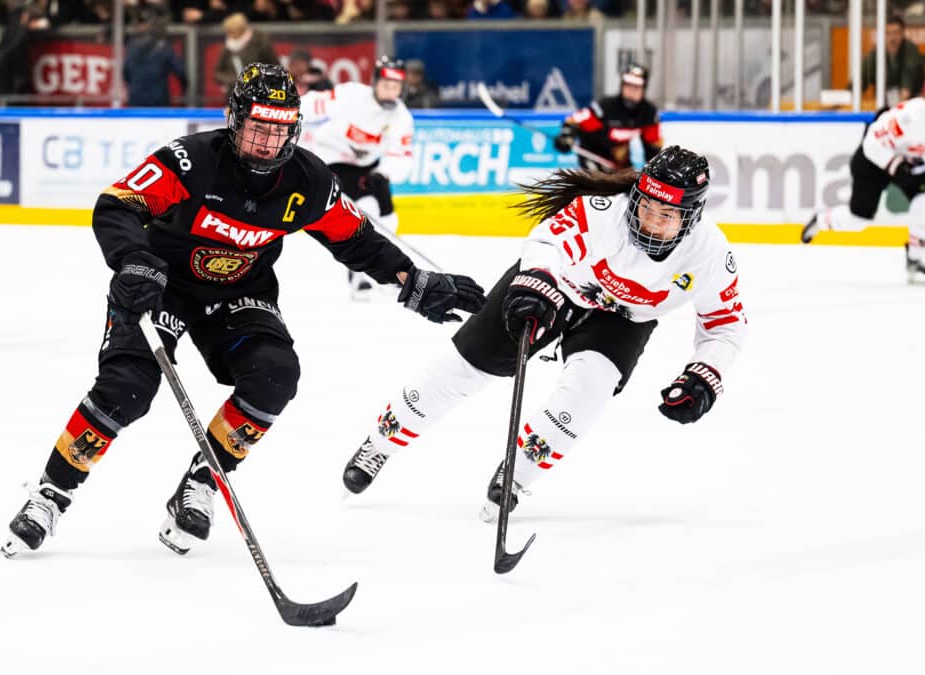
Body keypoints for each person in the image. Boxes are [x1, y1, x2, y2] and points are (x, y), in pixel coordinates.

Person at [0, 63, 485, 558]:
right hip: (160, 284)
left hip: (238, 292)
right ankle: (51, 494)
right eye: (258, 127)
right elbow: (119, 204)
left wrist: (412, 280)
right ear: (235, 120)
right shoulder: (192, 161)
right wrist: (135, 262)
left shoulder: (309, 181)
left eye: (279, 130)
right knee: (127, 387)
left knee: (275, 375)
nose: (268, 143)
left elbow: (354, 238)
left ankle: (203, 480)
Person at [341, 147, 748, 523]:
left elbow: (725, 324)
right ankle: (381, 441)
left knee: (591, 386)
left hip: (622, 318)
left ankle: (517, 473)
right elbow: (548, 240)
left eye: (666, 216)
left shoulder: (711, 254)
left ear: (691, 217)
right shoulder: (605, 211)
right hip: (555, 288)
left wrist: (705, 373)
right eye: (646, 207)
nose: (650, 221)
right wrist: (536, 280)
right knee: (464, 368)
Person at [298, 56, 415, 299]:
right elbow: (312, 105)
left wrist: (384, 174)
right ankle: (359, 275)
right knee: (362, 210)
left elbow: (401, 156)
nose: (391, 91)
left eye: (396, 88)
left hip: (367, 166)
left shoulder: (402, 118)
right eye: (386, 85)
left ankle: (385, 271)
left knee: (388, 215)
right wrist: (287, 113)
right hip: (333, 158)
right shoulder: (351, 95)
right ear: (375, 82)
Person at [802, 96, 925, 282]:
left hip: (905, 163)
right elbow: (872, 144)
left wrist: (912, 166)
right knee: (858, 221)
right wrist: (895, 165)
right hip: (871, 162)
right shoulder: (914, 117)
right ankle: (822, 220)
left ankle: (914, 259)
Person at [553, 63, 663, 172]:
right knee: (598, 185)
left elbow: (652, 148)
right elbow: (576, 121)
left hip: (619, 161)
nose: (630, 90)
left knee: (630, 185)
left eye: (636, 87)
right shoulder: (606, 107)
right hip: (593, 156)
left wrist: (655, 170)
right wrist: (566, 135)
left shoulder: (648, 112)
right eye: (627, 85)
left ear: (644, 88)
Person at [123, 12, 188, 107]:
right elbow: (180, 72)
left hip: (136, 100)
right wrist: (184, 88)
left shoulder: (132, 47)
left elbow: (125, 74)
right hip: (159, 101)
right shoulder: (165, 48)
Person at [860, 15, 925, 106]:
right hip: (884, 103)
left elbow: (907, 84)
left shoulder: (910, 50)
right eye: (887, 33)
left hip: (911, 104)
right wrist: (850, 97)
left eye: (896, 33)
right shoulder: (876, 53)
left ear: (903, 34)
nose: (892, 38)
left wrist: (896, 108)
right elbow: (862, 78)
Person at [213, 13, 278, 94]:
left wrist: (256, 78)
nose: (230, 36)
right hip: (235, 93)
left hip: (259, 92)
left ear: (241, 30)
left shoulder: (261, 42)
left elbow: (274, 67)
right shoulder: (228, 47)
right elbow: (218, 73)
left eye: (232, 32)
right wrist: (233, 80)